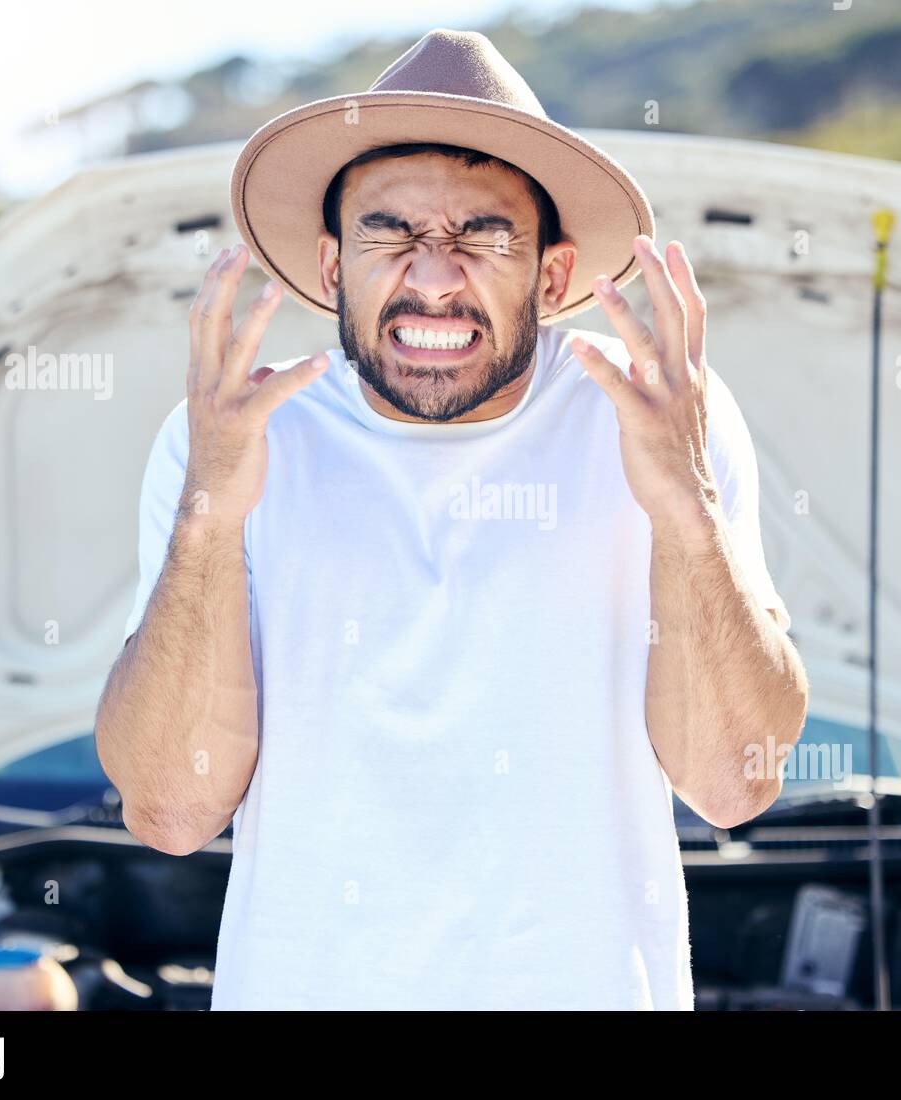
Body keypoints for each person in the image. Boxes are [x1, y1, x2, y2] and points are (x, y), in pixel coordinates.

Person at [94, 28, 808, 1010]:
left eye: (482, 234)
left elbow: (734, 784)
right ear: (330, 261)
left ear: (553, 278)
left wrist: (686, 505)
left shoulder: (657, 412)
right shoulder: (221, 433)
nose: (432, 277)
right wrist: (210, 508)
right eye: (389, 233)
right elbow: (171, 807)